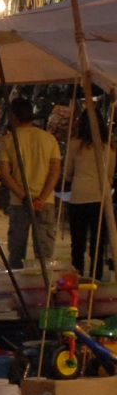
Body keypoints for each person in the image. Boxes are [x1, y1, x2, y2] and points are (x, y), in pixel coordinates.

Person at [1, 96, 62, 269]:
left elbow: (5, 174)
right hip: (45, 202)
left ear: (14, 115)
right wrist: (41, 198)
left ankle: (18, 289)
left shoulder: (8, 140)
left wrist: (25, 197)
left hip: (19, 202)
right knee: (44, 255)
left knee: (16, 252)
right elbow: (55, 171)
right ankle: (42, 289)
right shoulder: (49, 139)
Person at [65, 110, 114, 279]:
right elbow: (110, 175)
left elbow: (68, 173)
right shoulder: (109, 148)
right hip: (101, 198)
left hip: (78, 195)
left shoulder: (74, 145)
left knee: (77, 244)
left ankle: (77, 277)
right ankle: (96, 278)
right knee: (98, 244)